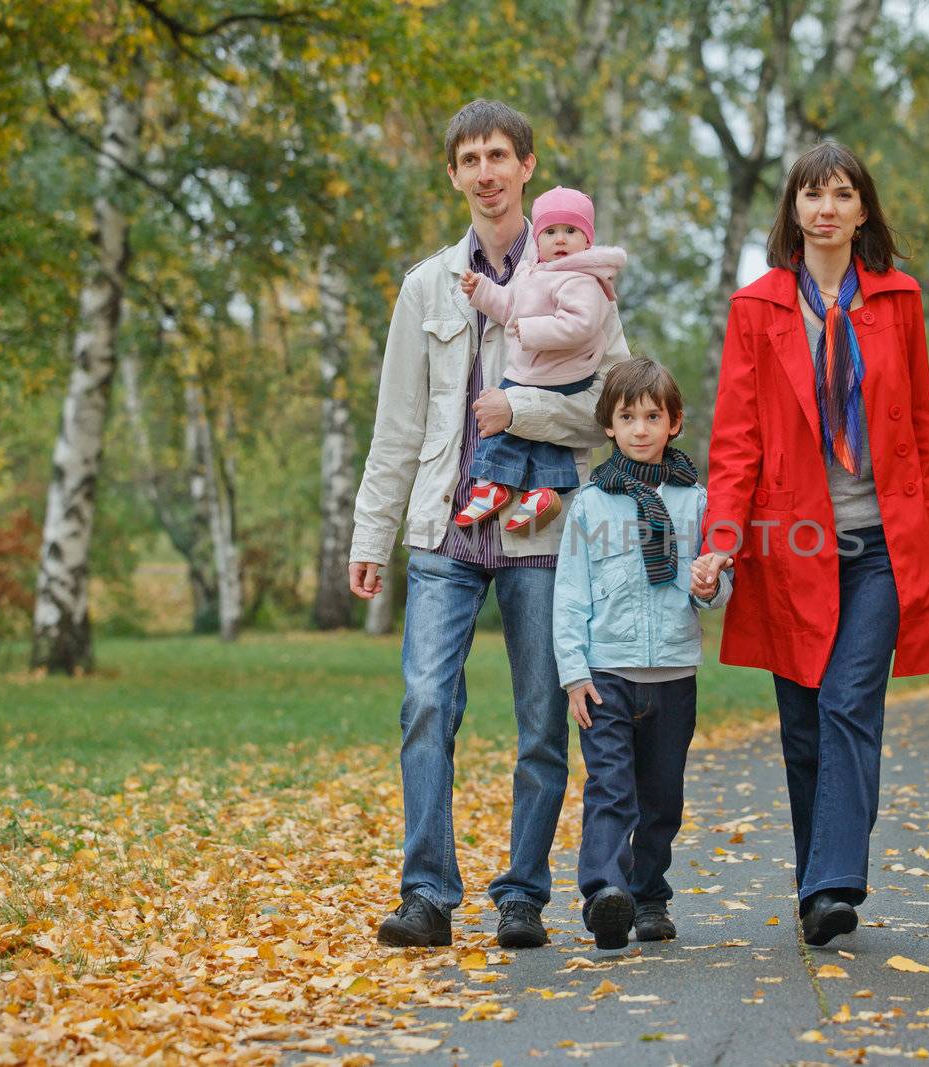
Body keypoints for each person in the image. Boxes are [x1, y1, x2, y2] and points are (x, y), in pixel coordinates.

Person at [348, 99, 629, 950]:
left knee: (543, 721)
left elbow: (611, 416)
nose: (485, 171)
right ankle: (427, 894)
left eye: (499, 155)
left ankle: (522, 895)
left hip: (541, 536)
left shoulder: (584, 283)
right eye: (469, 158)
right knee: (427, 702)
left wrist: (525, 410)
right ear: (454, 174)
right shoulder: (427, 286)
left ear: (528, 167)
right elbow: (397, 422)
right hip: (444, 530)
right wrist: (371, 536)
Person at [698, 140, 929, 947]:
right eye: (814, 194)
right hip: (789, 543)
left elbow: (918, 428)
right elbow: (736, 442)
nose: (828, 207)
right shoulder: (758, 308)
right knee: (802, 721)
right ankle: (817, 893)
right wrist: (720, 543)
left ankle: (837, 877)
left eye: (843, 193)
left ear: (862, 210)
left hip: (880, 542)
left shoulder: (899, 301)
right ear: (795, 211)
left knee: (847, 702)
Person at [552, 358, 732, 950]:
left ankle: (650, 896)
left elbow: (715, 586)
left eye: (653, 416)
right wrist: (575, 674)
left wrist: (710, 585)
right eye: (627, 417)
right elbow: (571, 594)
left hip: (674, 674)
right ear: (609, 425)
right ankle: (606, 893)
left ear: (674, 423)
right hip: (607, 674)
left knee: (661, 796)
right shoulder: (590, 506)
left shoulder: (696, 502)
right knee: (610, 788)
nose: (640, 428)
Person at [456, 186, 627, 533]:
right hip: (536, 370)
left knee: (507, 428)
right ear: (539, 237)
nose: (560, 240)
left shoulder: (583, 278)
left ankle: (493, 482)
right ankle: (539, 492)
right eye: (550, 232)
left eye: (571, 231)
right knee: (541, 437)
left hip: (563, 373)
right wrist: (483, 291)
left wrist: (531, 330)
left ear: (588, 241)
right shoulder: (533, 272)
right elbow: (509, 308)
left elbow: (580, 325)